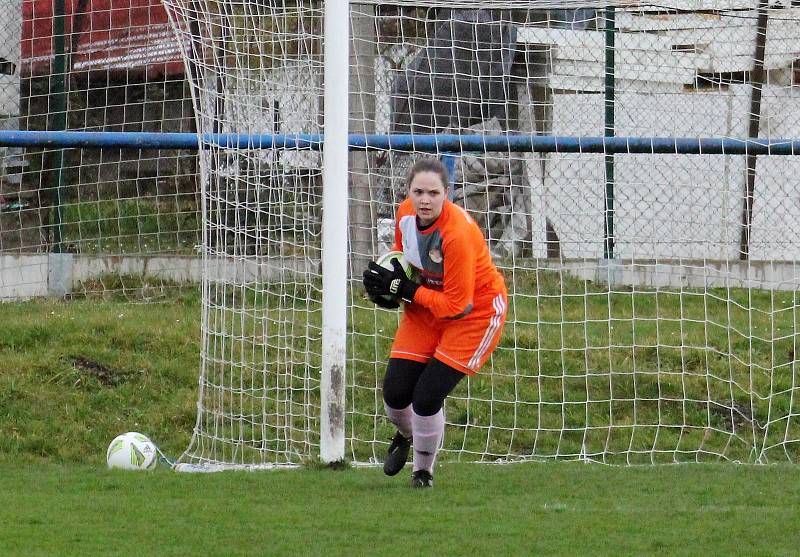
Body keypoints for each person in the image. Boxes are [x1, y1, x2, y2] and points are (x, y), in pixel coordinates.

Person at [363, 158, 508, 488]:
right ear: (409, 192)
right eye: (418, 192)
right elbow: (403, 264)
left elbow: (457, 305)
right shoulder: (405, 216)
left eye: (433, 193)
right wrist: (389, 288)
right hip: (427, 305)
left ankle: (422, 472)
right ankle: (406, 434)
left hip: (474, 314)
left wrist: (408, 290)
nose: (425, 200)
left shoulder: (456, 235)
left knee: (427, 397)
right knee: (396, 394)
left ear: (447, 195)